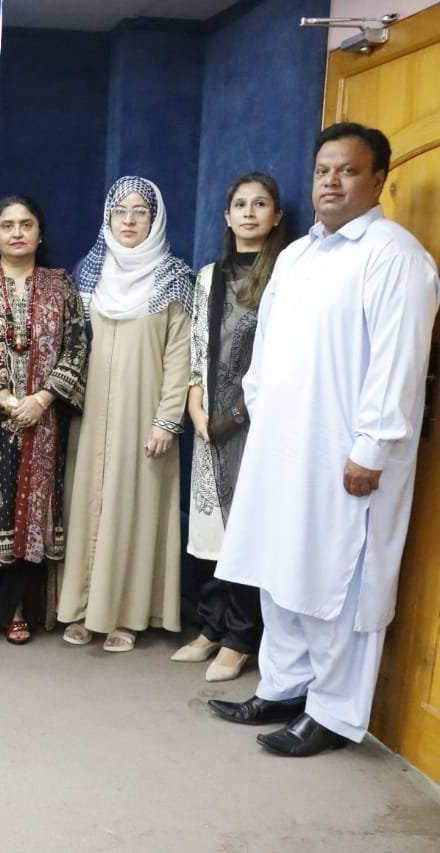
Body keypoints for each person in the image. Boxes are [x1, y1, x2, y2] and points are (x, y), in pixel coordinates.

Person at [207, 123, 439, 757]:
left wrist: (372, 448)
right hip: (283, 445)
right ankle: (284, 687)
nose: (331, 182)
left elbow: (399, 362)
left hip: (346, 454)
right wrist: (261, 410)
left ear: (378, 180)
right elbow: (266, 347)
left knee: (337, 580)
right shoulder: (299, 256)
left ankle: (333, 713)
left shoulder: (395, 256)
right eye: (322, 171)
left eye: (347, 170)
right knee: (281, 570)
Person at [57, 175, 193, 652]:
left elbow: (181, 357)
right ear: (108, 218)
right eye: (120, 211)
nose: (129, 221)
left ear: (155, 219)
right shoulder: (89, 274)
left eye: (140, 212)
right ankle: (80, 608)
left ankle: (128, 616)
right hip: (90, 413)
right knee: (86, 504)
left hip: (144, 415)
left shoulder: (173, 277)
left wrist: (167, 419)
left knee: (136, 508)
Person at [0, 195, 87, 644]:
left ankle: (21, 607)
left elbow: (77, 347)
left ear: (39, 233)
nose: (17, 233)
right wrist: (8, 400)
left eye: (26, 224)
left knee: (31, 516)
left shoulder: (60, 285)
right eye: (7, 225)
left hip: (43, 421)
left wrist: (42, 400)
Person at [173, 172, 286, 682]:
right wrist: (195, 403)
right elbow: (199, 344)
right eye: (240, 204)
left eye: (260, 204)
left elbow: (280, 356)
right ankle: (211, 625)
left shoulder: (284, 275)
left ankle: (241, 637)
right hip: (208, 419)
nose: (249, 213)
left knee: (246, 528)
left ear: (276, 216)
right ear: (227, 216)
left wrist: (237, 415)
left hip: (256, 420)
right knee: (210, 529)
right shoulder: (208, 276)